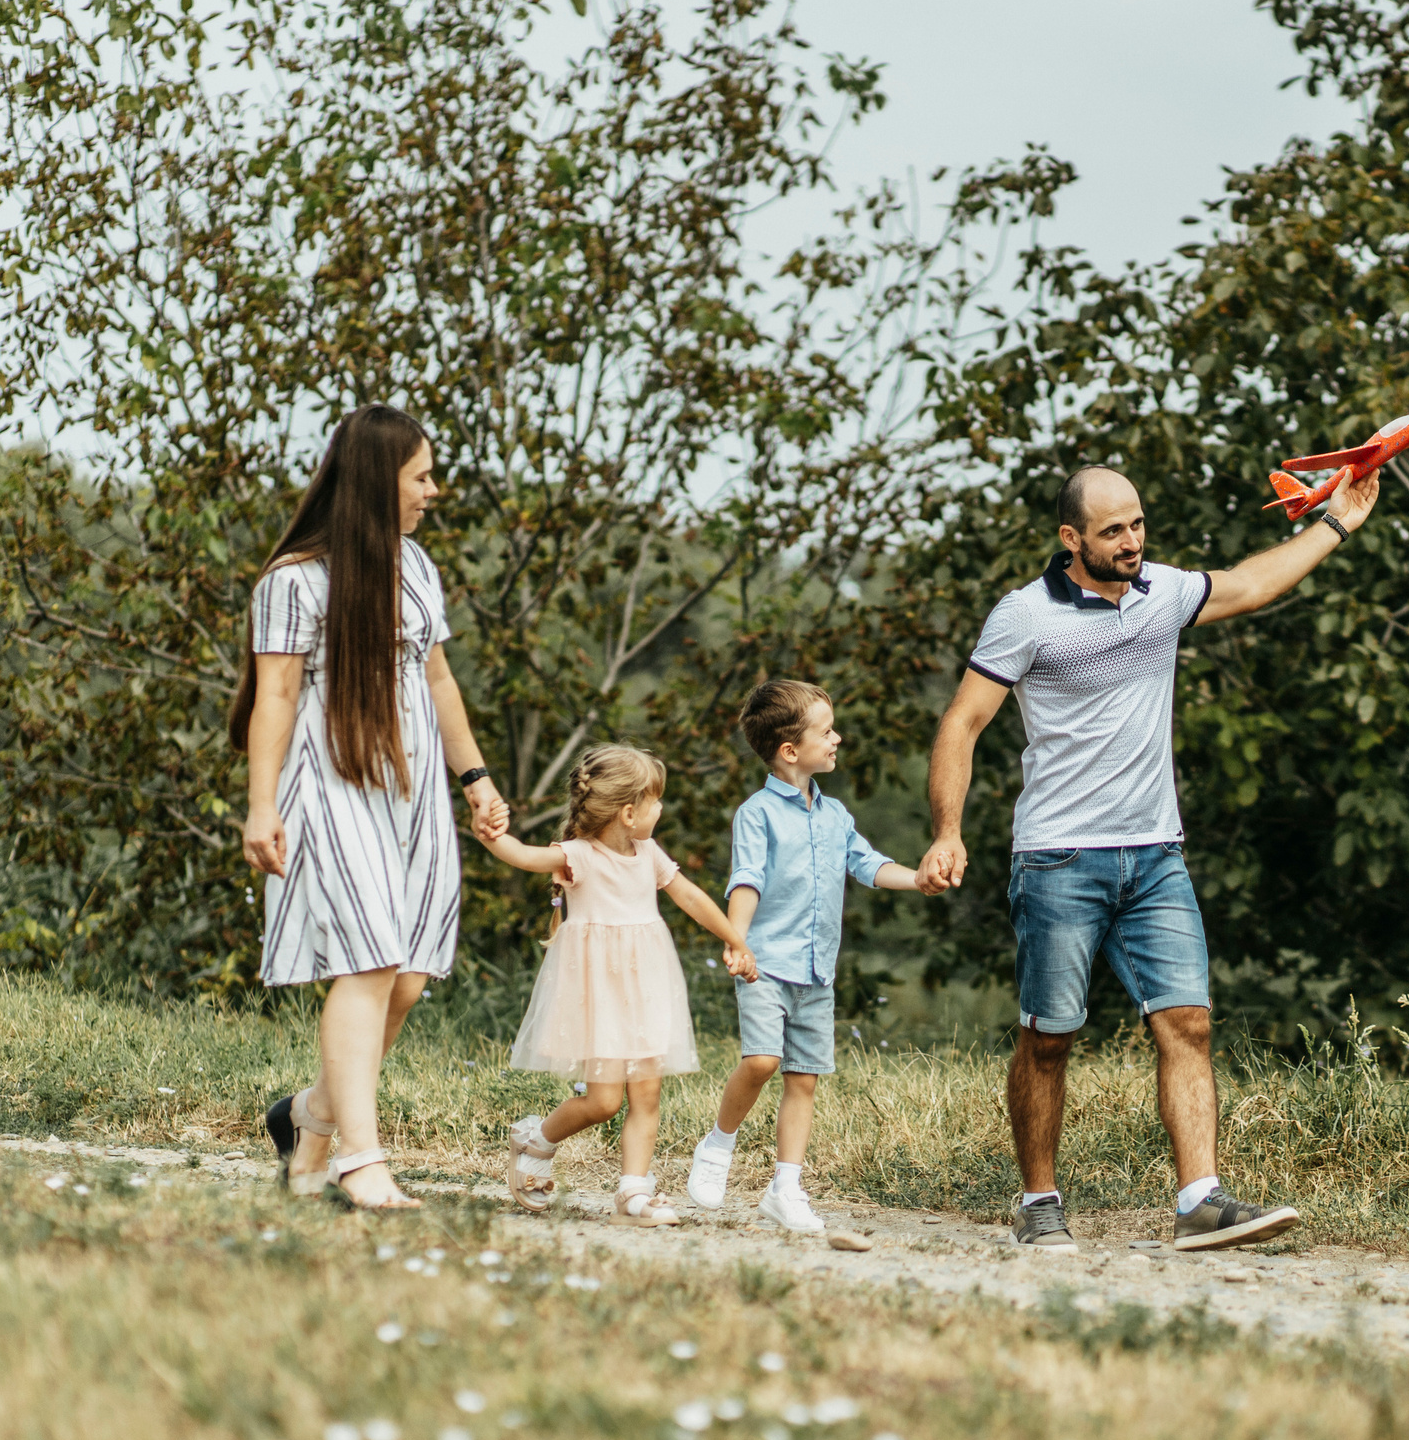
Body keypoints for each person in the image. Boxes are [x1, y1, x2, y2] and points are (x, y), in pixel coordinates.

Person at [916, 462, 1385, 1252]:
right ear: (1071, 538)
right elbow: (961, 724)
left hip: (1156, 856)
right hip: (1059, 858)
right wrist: (948, 829)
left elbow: (1245, 585)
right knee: (1050, 1036)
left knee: (1189, 1023)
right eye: (1112, 531)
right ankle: (1038, 1200)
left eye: (1137, 524)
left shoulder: (1161, 591)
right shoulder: (1025, 616)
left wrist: (1335, 523)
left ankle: (1200, 1198)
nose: (1132, 541)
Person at [233, 404, 511, 1212]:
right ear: (377, 480)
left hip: (418, 790)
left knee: (410, 975)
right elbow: (275, 697)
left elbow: (437, 679)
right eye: (421, 475)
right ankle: (362, 1161)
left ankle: (308, 1116)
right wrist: (261, 806)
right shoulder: (293, 581)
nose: (434, 489)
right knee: (367, 962)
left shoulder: (416, 567)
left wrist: (476, 778)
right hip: (331, 784)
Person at [686, 679, 936, 1232]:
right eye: (827, 731)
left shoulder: (836, 815)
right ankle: (717, 1146)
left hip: (817, 969)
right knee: (762, 1061)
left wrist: (918, 878)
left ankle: (786, 1187)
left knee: (803, 1078)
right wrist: (737, 939)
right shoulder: (756, 814)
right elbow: (746, 879)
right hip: (765, 962)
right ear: (789, 751)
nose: (838, 738)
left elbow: (869, 866)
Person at [485, 744, 757, 1226]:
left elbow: (690, 896)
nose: (661, 809)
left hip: (646, 988)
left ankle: (634, 1192)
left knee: (647, 1095)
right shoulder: (578, 856)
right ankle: (537, 1138)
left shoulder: (649, 852)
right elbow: (523, 856)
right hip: (599, 996)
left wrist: (735, 939)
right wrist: (493, 837)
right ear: (629, 813)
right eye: (656, 801)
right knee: (604, 1102)